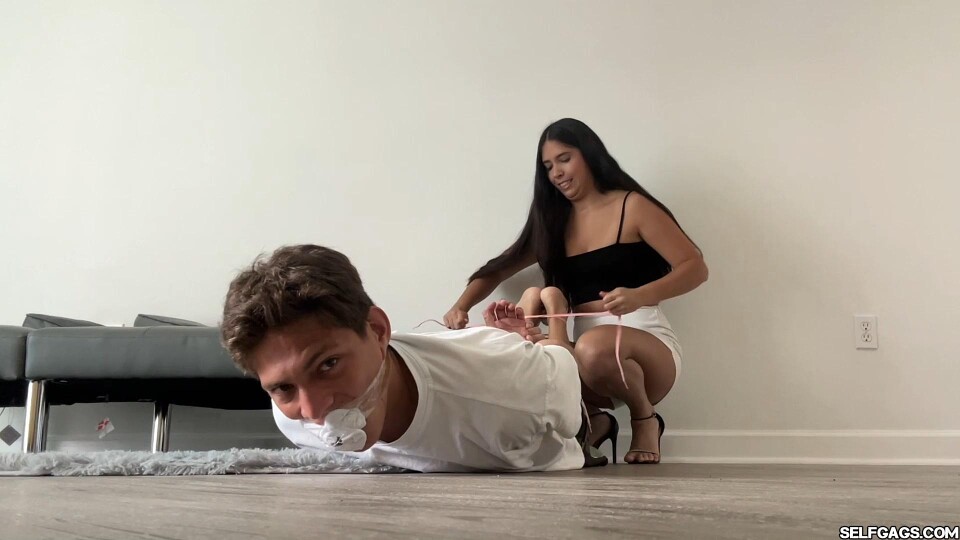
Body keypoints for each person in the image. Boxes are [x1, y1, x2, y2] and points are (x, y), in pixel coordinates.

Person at [443, 118, 708, 464]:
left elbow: (695, 267)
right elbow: (499, 268)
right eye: (548, 166)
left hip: (647, 352)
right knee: (532, 357)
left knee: (592, 347)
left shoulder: (632, 207)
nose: (556, 173)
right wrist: (460, 306)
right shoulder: (553, 224)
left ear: (589, 154)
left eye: (564, 159)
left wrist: (639, 295)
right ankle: (594, 419)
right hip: (585, 360)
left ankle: (645, 419)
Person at [220, 243, 602, 473]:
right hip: (466, 358)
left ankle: (540, 323)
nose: (314, 412)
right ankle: (500, 338)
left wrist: (552, 344)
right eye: (283, 388)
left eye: (328, 365)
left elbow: (567, 390)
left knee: (553, 361)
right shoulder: (292, 420)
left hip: (534, 384)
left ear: (377, 330)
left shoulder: (511, 398)